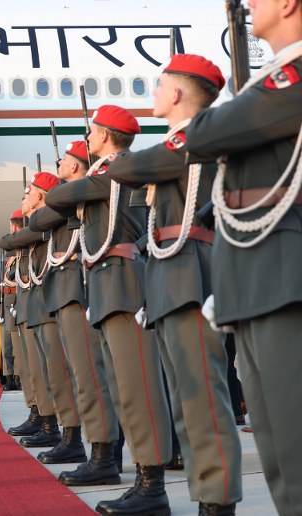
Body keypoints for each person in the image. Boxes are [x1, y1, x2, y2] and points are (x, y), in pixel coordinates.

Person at [107, 54, 242, 515]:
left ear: (180, 93)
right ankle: (200, 497)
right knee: (186, 402)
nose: (155, 92)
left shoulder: (195, 137)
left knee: (203, 401)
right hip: (170, 273)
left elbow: (125, 169)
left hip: (190, 273)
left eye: (161, 84)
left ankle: (217, 503)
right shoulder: (182, 141)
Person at [185, 2, 302, 512]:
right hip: (256, 277)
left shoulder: (293, 76)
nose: (250, 4)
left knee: (295, 451)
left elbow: (204, 133)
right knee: (277, 455)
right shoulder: (271, 80)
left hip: (283, 275)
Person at [46, 105, 173, 516]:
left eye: (91, 132)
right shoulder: (106, 174)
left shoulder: (114, 170)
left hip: (122, 280)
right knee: (120, 387)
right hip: (105, 281)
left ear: (103, 136)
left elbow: (57, 196)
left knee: (137, 388)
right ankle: (135, 474)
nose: (87, 138)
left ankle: (152, 485)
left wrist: (83, 176)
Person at [30, 141, 121, 484]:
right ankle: (90, 448)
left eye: (65, 160)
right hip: (69, 292)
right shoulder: (77, 193)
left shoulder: (87, 189)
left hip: (80, 292)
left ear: (79, 167)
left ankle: (102, 454)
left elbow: (39, 219)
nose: (59, 162)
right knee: (80, 378)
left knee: (91, 378)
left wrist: (54, 191)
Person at [23, 173, 84, 463]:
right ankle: (57, 430)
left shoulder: (60, 207)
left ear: (40, 196)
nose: (25, 198)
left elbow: (27, 231)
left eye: (29, 193)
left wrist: (47, 201)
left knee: (65, 376)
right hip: (47, 299)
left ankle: (73, 438)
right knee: (46, 375)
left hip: (64, 295)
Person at [0, 205, 55, 446]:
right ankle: (35, 413)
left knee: (40, 371)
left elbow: (7, 241)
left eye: (17, 223)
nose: (13, 229)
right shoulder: (18, 254)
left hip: (37, 310)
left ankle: (48, 422)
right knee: (27, 369)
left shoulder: (38, 233)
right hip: (22, 311)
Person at [0, 250, 18, 390]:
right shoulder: (3, 276)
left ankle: (18, 378)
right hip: (5, 317)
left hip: (16, 315)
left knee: (18, 350)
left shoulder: (20, 273)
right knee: (6, 350)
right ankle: (8, 378)